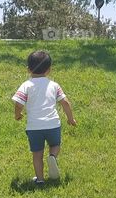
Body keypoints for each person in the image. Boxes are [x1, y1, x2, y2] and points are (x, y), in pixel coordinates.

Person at [11, 50, 76, 184]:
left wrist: (18, 115)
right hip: (53, 124)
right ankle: (52, 156)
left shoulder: (26, 85)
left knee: (37, 154)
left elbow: (18, 104)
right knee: (55, 144)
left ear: (28, 69)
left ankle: (40, 180)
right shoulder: (54, 85)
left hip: (34, 127)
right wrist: (70, 119)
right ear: (49, 69)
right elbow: (65, 102)